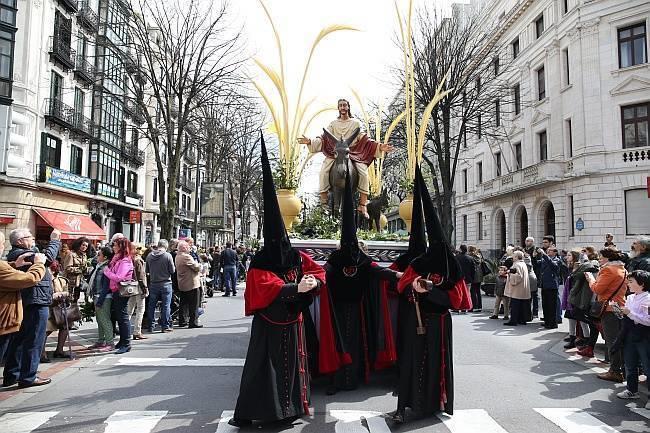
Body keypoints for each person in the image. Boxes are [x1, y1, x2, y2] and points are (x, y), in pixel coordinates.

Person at [230, 134, 325, 428]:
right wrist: (296, 287)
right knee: (265, 369)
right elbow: (263, 287)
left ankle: (292, 408)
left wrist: (313, 283)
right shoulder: (260, 260)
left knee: (293, 368)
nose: (280, 246)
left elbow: (318, 273)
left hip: (293, 322)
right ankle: (267, 412)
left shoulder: (295, 256)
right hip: (269, 325)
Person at [391, 165, 471, 423]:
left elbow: (460, 301)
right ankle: (406, 405)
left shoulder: (453, 264)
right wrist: (413, 287)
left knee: (438, 363)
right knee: (412, 362)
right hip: (417, 320)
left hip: (439, 322)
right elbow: (402, 285)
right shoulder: (421, 261)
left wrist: (434, 290)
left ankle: (434, 402)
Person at [320, 168, 402, 395]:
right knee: (337, 343)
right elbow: (324, 273)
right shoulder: (336, 258)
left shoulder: (361, 258)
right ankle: (336, 380)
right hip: (336, 309)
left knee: (355, 343)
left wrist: (397, 275)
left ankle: (354, 377)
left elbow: (376, 271)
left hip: (356, 309)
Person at [298, 98, 394, 217]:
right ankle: (324, 204)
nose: (343, 107)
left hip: (353, 153)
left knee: (363, 173)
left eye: (344, 105)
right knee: (323, 171)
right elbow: (324, 138)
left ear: (348, 107)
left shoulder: (355, 123)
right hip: (336, 153)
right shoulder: (333, 124)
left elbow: (364, 139)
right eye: (340, 106)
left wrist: (379, 146)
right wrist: (310, 141)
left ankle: (362, 205)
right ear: (338, 108)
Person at [3, 228, 60, 388]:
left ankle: (12, 375)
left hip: (30, 300)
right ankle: (28, 377)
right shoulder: (22, 254)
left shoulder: (19, 254)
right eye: (29, 236)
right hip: (35, 301)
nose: (33, 238)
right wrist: (54, 240)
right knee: (34, 340)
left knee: (20, 340)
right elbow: (46, 259)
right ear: (20, 241)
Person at [0, 231, 47, 364]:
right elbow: (30, 279)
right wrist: (39, 264)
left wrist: (14, 265)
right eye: (2, 244)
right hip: (3, 322)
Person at [585, 247, 628, 382]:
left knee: (612, 341)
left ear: (608, 258)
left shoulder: (608, 270)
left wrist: (591, 279)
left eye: (601, 257)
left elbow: (597, 289)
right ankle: (624, 370)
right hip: (620, 306)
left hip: (609, 309)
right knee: (620, 341)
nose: (599, 259)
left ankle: (615, 371)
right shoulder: (623, 269)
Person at [614, 270, 650, 408]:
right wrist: (620, 311)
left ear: (641, 284)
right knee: (630, 364)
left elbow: (647, 321)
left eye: (631, 281)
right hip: (629, 335)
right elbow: (628, 316)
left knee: (647, 367)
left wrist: (630, 313)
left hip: (643, 336)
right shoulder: (630, 297)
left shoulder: (647, 298)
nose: (628, 284)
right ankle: (632, 390)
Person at [103, 237, 134, 354]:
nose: (113, 247)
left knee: (123, 317)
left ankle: (126, 343)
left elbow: (119, 277)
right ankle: (122, 341)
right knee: (119, 316)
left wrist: (107, 272)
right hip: (116, 290)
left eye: (115, 245)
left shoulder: (125, 261)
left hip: (122, 291)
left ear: (121, 247)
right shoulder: (118, 259)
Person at [562, 251, 594, 350]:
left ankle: (585, 340)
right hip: (573, 297)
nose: (567, 257)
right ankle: (573, 338)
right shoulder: (571, 267)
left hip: (577, 298)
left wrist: (575, 270)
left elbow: (576, 283)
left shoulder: (582, 269)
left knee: (582, 321)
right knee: (572, 320)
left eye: (569, 255)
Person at [88, 246, 115, 351]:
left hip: (103, 297)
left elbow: (106, 287)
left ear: (105, 257)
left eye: (99, 254)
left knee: (105, 320)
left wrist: (100, 300)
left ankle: (110, 343)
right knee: (100, 320)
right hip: (97, 296)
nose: (97, 256)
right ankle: (101, 340)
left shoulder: (106, 268)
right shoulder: (99, 266)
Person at [146, 239, 175, 333]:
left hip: (153, 283)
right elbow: (172, 270)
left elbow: (147, 270)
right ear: (166, 247)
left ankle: (151, 325)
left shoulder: (150, 256)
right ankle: (165, 326)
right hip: (166, 283)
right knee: (166, 305)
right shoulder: (167, 256)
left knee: (151, 305)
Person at [175, 241, 202, 328]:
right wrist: (199, 265)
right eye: (188, 247)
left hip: (182, 282)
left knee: (183, 303)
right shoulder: (186, 257)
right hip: (191, 283)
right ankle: (193, 322)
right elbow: (196, 267)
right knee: (194, 303)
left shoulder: (177, 256)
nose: (190, 249)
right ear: (185, 248)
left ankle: (182, 320)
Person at [538, 246, 562, 329]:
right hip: (544, 284)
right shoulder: (545, 259)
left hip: (552, 285)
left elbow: (553, 265)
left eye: (550, 250)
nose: (548, 252)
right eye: (547, 250)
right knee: (545, 305)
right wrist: (534, 256)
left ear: (555, 252)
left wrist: (544, 255)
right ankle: (547, 321)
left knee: (552, 305)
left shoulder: (557, 260)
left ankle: (553, 323)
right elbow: (538, 264)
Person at [504, 251, 530, 326]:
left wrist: (510, 275)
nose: (512, 257)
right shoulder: (523, 263)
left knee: (515, 305)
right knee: (521, 305)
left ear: (517, 257)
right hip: (522, 288)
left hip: (517, 289)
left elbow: (518, 277)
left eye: (514, 256)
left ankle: (513, 321)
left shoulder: (517, 264)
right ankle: (521, 320)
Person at [128, 244, 148, 340]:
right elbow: (141, 277)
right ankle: (137, 331)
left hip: (131, 286)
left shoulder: (129, 259)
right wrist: (145, 288)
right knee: (140, 309)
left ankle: (126, 329)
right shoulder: (138, 260)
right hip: (138, 287)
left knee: (129, 309)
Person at [63, 237, 90, 302]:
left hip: (79, 281)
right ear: (79, 244)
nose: (84, 247)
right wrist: (79, 269)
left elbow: (84, 267)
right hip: (70, 281)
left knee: (76, 299)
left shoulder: (84, 255)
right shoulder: (71, 254)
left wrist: (86, 269)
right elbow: (67, 268)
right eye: (83, 245)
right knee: (69, 300)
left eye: (86, 246)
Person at [468, 245, 484, 312]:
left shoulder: (471, 257)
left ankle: (474, 306)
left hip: (474, 276)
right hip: (479, 276)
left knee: (472, 291)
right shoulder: (479, 256)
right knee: (478, 291)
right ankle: (479, 306)